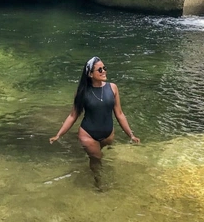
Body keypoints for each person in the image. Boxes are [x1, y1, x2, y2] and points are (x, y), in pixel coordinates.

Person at [50, 56, 140, 184]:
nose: (103, 71)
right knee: (97, 159)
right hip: (88, 134)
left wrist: (131, 135)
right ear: (90, 74)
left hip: (108, 135)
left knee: (102, 156)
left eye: (104, 68)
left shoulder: (113, 88)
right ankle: (99, 184)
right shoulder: (82, 92)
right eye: (99, 70)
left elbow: (119, 114)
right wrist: (58, 135)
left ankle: (95, 173)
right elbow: (73, 115)